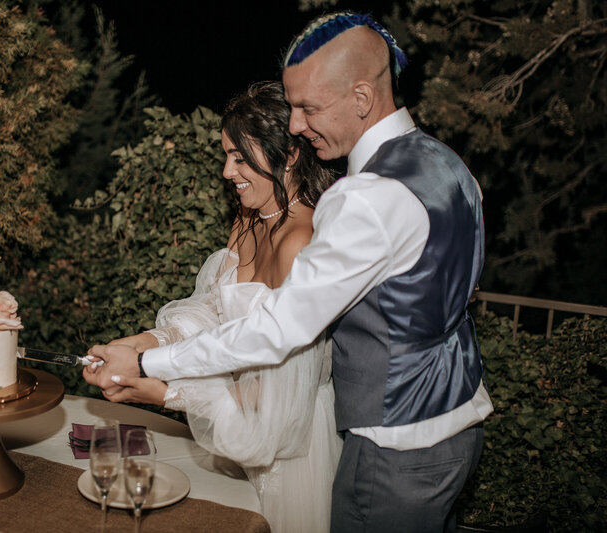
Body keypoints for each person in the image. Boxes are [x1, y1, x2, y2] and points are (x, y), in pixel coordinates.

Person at [86, 11, 492, 533]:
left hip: (396, 443)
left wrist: (152, 365)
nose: (296, 125)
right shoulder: (447, 165)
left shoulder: (364, 197)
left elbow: (280, 327)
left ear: (363, 99)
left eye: (307, 107)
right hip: (457, 420)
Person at [88, 81, 341, 532]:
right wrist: (142, 345)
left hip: (283, 442)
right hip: (227, 420)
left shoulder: (302, 242)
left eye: (240, 157)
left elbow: (275, 400)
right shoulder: (250, 216)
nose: (227, 171)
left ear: (288, 155)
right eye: (227, 155)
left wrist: (165, 392)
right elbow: (211, 310)